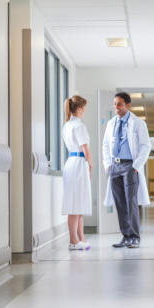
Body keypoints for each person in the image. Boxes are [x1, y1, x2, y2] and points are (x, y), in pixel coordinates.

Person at [103, 92, 151, 248]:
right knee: (120, 204)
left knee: (131, 202)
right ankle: (126, 236)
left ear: (128, 105)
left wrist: (136, 166)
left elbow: (146, 146)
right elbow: (105, 145)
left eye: (119, 104)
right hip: (114, 167)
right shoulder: (111, 123)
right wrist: (107, 165)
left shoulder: (138, 123)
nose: (116, 107)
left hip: (130, 166)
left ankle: (135, 237)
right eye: (115, 104)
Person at [62, 95, 92, 250]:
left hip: (72, 163)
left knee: (78, 204)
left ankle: (81, 238)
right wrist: (91, 164)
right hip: (79, 163)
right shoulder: (79, 126)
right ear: (79, 109)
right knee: (75, 205)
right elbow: (86, 150)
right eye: (84, 107)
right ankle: (74, 241)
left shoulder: (67, 125)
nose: (85, 110)